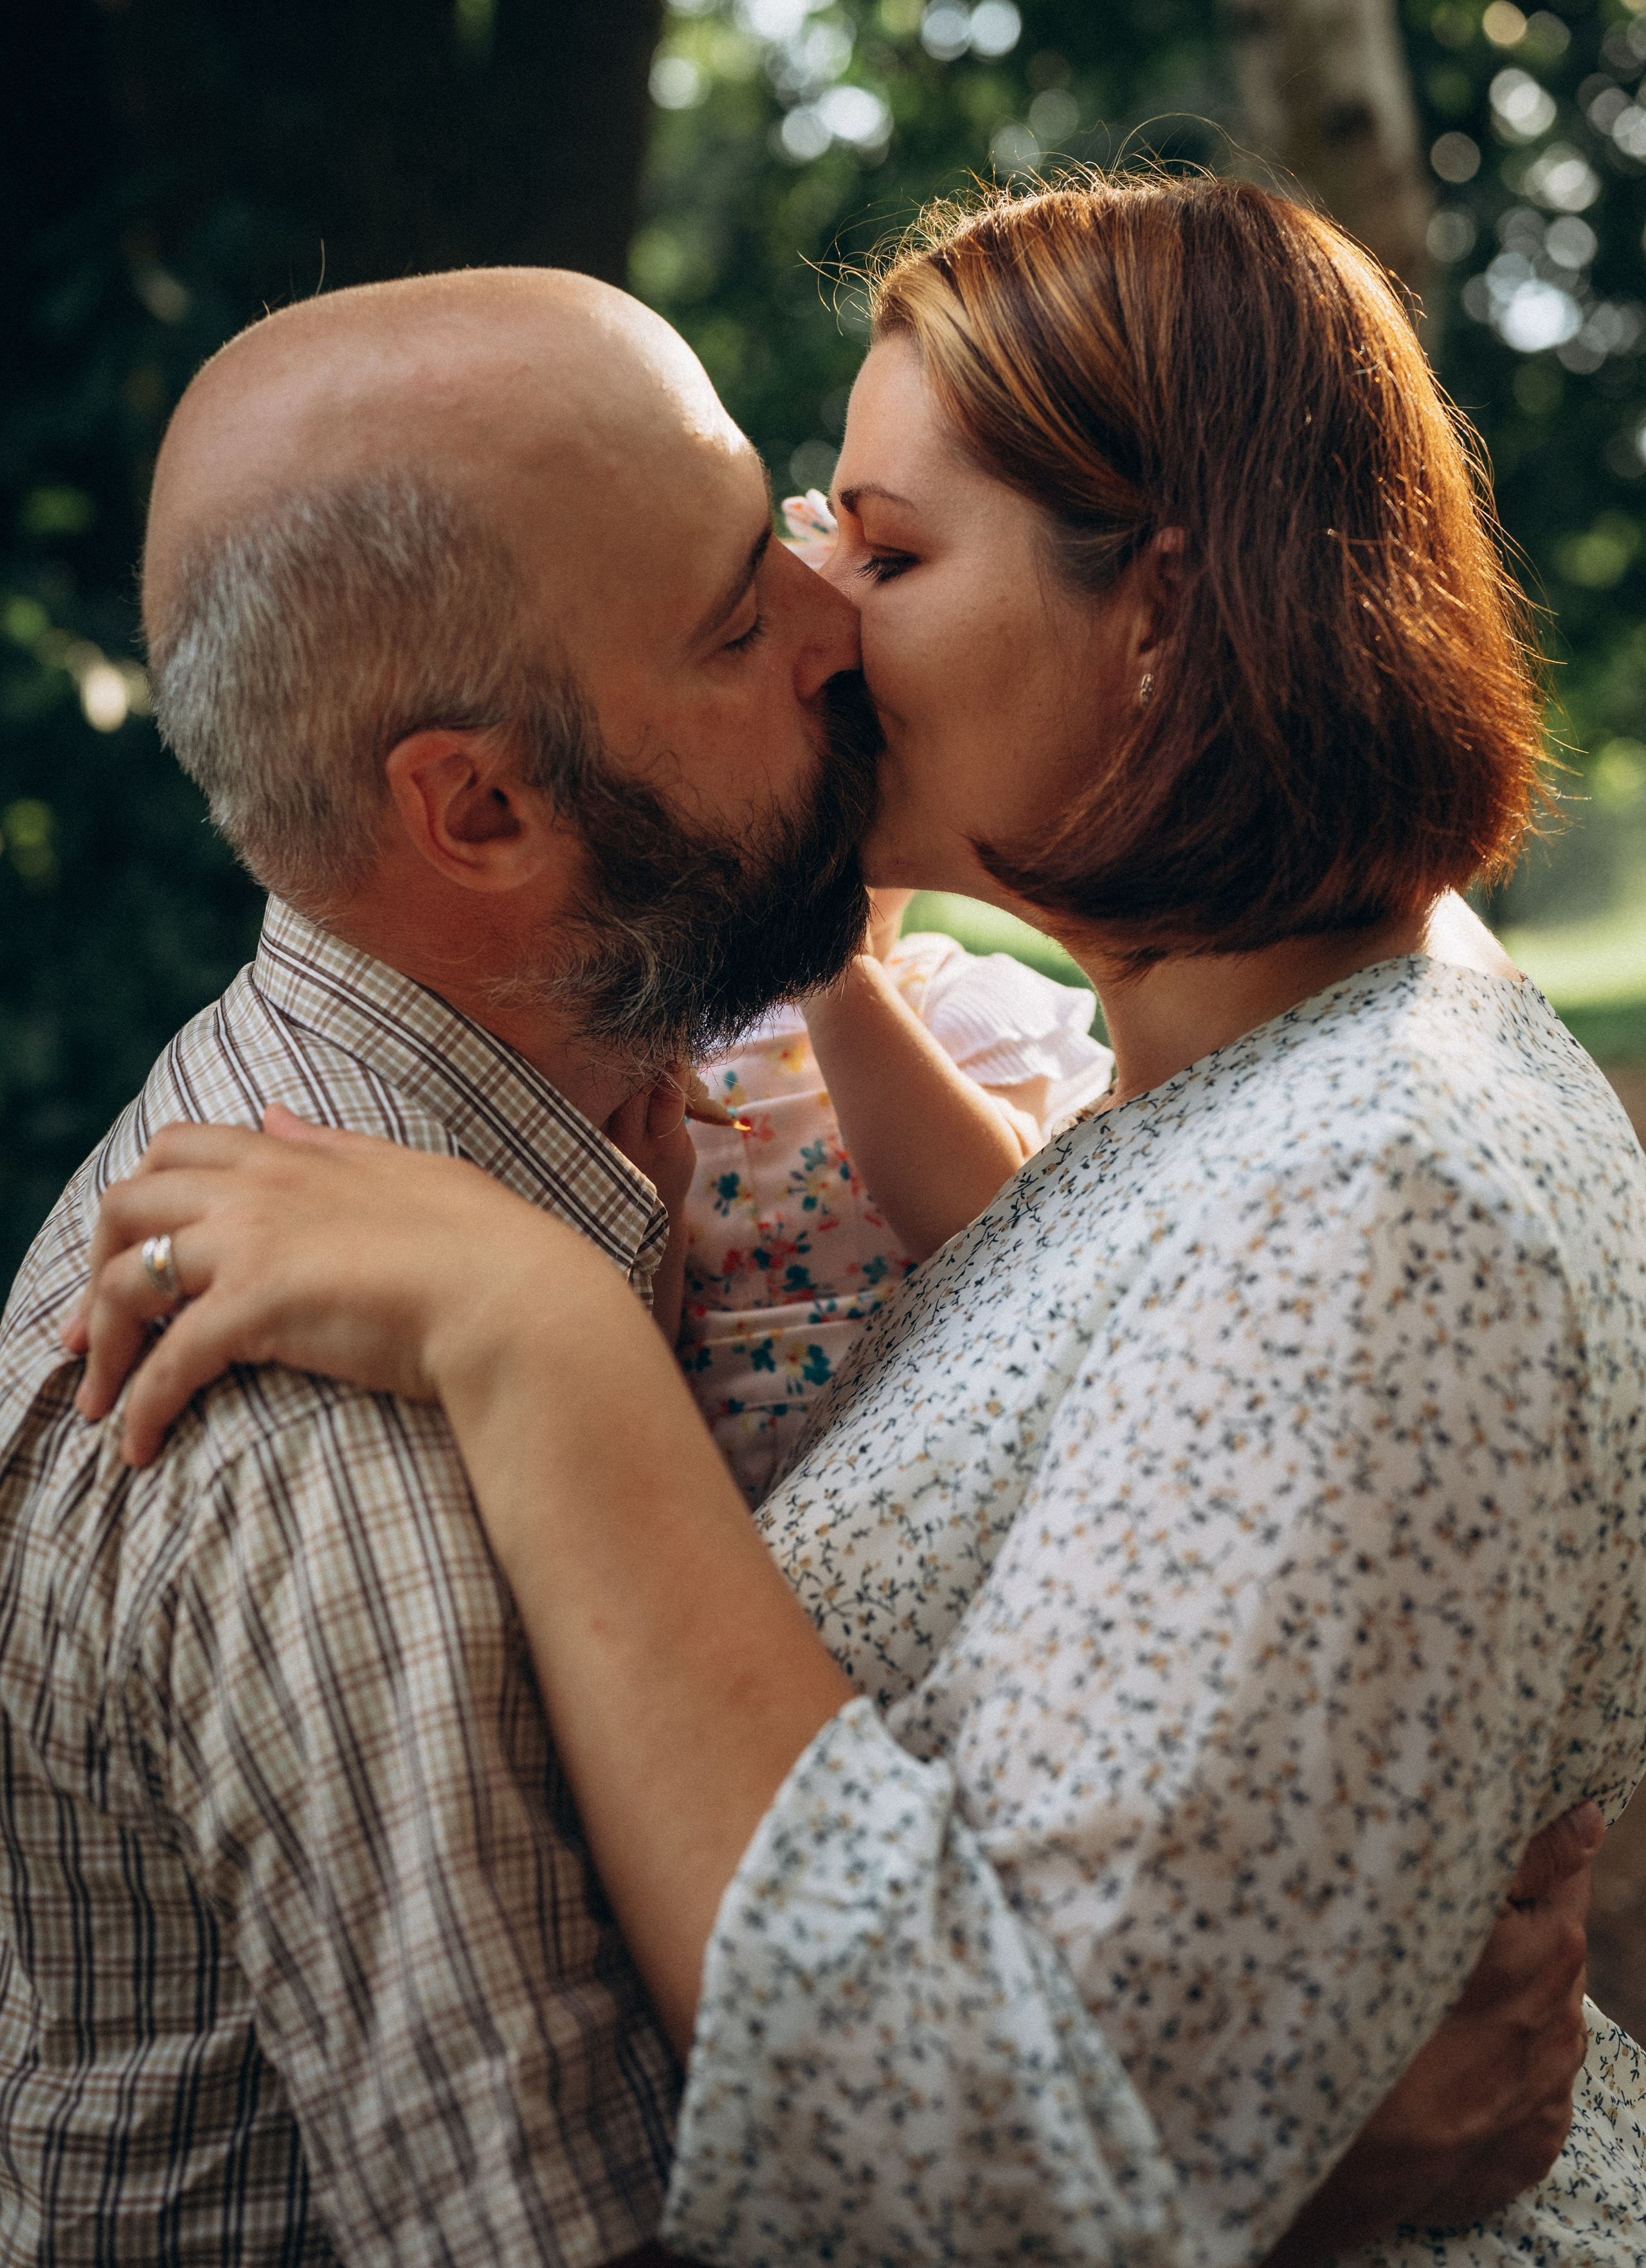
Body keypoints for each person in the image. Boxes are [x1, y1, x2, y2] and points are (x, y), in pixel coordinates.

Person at [65, 175, 1646, 2265]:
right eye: (794, 554)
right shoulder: (1255, 1102)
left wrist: (540, 1333)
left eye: (883, 549)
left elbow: (1015, 2153)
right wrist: (1303, 2132)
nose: (825, 614)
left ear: (1162, 617)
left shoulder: (1375, 1189)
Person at [0, 267, 882, 2264]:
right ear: (477, 808)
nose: (842, 621)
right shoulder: (319, 1451)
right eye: (743, 618)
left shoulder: (606, 1065)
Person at [680, 882, 1112, 1503]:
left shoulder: (955, 998)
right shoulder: (654, 1032)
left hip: (922, 1464)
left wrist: (834, 967)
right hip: (704, 1484)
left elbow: (996, 1233)